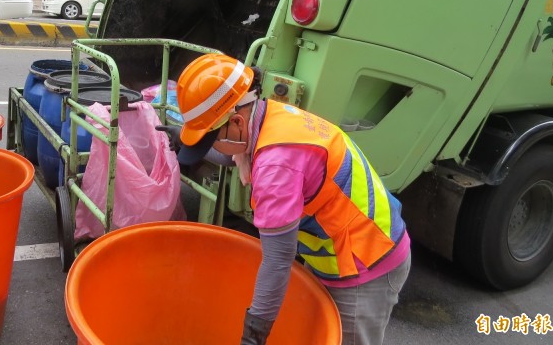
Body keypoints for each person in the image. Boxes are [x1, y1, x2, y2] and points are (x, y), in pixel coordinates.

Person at [167, 53, 411, 345]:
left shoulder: (277, 166)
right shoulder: (269, 115)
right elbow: (233, 153)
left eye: (211, 137)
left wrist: (253, 336)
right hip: (344, 245)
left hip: (364, 260)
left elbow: (278, 260)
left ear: (236, 121)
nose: (213, 147)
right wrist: (188, 141)